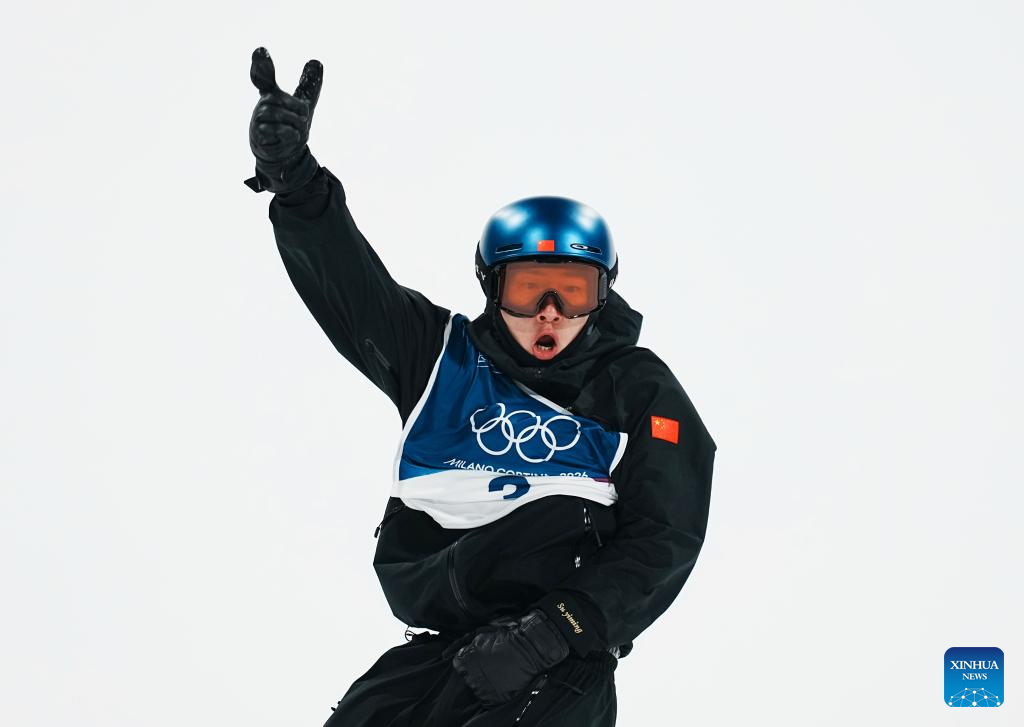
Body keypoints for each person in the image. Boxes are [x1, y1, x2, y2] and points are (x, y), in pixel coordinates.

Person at [245, 47, 717, 727]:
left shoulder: (637, 389)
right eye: (529, 289)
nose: (551, 313)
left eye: (573, 291)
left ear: (602, 295)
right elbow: (353, 288)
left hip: (557, 654)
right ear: (493, 288)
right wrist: (296, 184)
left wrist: (553, 631)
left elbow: (665, 534)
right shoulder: (440, 358)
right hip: (435, 650)